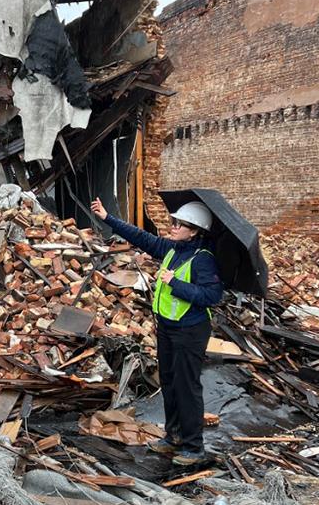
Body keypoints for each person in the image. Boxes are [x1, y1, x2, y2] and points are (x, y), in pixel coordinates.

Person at [90, 198, 223, 466]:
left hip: (190, 330)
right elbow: (142, 238)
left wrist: (175, 283)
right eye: (172, 222)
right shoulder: (174, 250)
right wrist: (107, 218)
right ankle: (172, 437)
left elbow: (212, 295)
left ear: (195, 230)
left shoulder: (202, 260)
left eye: (179, 224)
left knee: (187, 387)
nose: (172, 227)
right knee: (170, 384)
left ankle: (193, 447)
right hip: (168, 328)